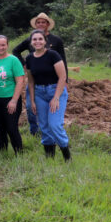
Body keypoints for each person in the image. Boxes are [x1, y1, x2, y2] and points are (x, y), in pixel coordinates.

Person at [12, 13, 68, 136]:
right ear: (35, 24)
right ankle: (34, 130)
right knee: (30, 106)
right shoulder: (30, 39)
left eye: (43, 22)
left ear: (48, 24)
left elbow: (63, 61)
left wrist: (66, 81)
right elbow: (15, 51)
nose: (41, 24)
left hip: (52, 80)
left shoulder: (56, 40)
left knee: (53, 107)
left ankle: (53, 130)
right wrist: (25, 64)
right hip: (34, 81)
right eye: (39, 22)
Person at [25, 30, 70, 160]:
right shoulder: (29, 58)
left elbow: (62, 77)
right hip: (39, 93)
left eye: (40, 39)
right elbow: (31, 81)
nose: (37, 41)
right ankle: (50, 158)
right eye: (35, 39)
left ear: (45, 41)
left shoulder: (53, 55)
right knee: (44, 126)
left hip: (55, 90)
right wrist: (32, 101)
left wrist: (56, 98)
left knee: (54, 125)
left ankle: (67, 156)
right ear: (31, 42)